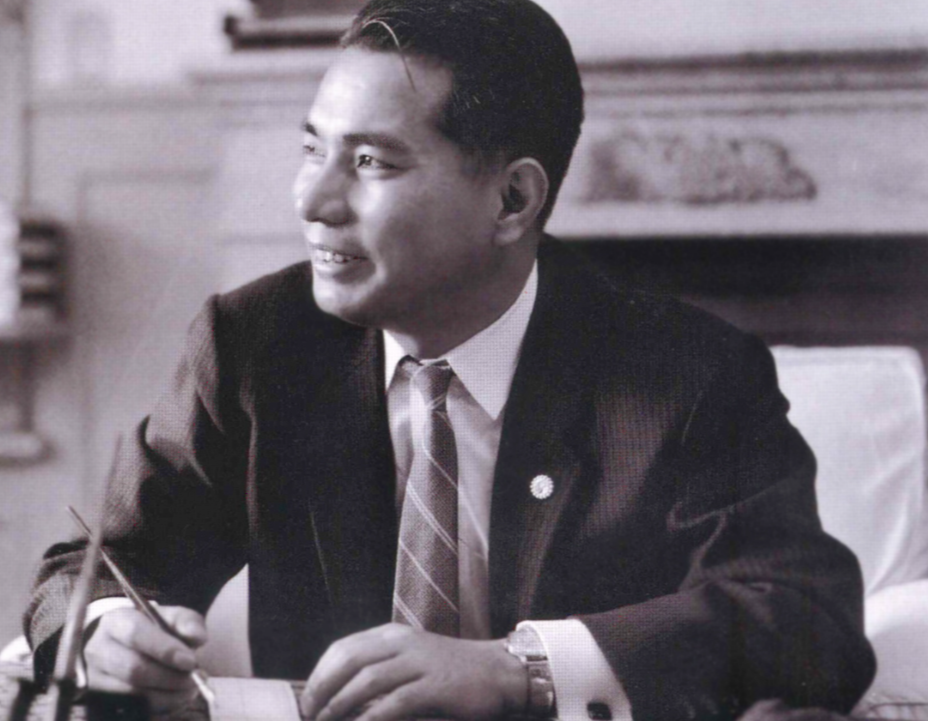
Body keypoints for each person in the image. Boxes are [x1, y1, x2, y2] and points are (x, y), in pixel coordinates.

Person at [26, 1, 875, 719]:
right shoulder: (254, 343)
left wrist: (523, 667)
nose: (312, 200)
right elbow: (85, 567)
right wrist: (106, 631)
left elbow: (807, 617)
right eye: (313, 149)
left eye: (370, 162)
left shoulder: (686, 374)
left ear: (512, 199)